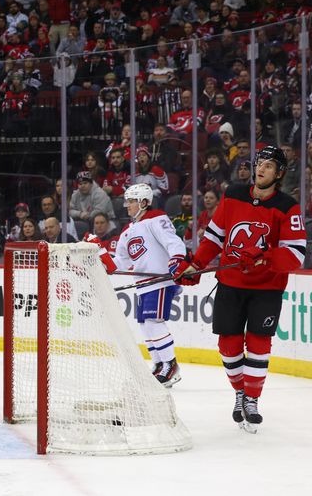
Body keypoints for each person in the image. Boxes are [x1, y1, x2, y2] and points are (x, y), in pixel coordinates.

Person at [173, 146, 306, 432]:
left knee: (259, 344)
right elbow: (213, 237)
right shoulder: (233, 194)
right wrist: (196, 265)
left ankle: (252, 400)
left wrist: (264, 257)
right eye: (260, 163)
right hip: (231, 284)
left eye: (269, 166)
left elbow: (295, 255)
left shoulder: (287, 207)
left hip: (266, 288)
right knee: (229, 347)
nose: (262, 169)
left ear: (279, 173)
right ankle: (240, 394)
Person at [94, 183, 185, 387]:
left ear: (144, 202)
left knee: (154, 321)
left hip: (160, 280)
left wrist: (177, 260)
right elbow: (120, 263)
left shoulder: (157, 218)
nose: (127, 205)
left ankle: (171, 366)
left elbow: (174, 242)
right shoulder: (128, 230)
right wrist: (99, 252)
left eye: (132, 201)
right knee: (145, 324)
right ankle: (159, 364)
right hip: (143, 284)